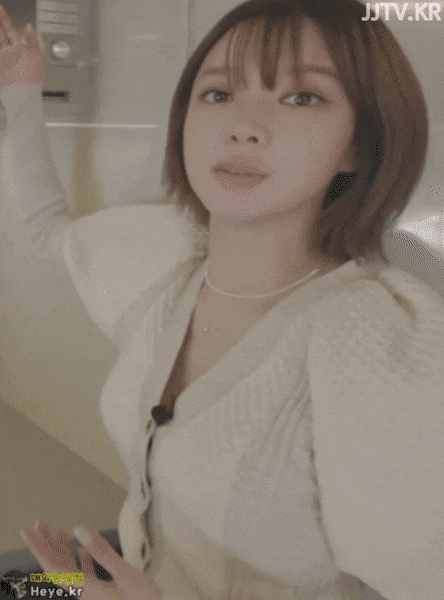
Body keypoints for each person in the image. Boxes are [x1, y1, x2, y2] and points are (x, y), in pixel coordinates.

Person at [1, 1, 443, 599]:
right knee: (17, 585)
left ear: (360, 144)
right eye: (217, 94)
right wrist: (21, 91)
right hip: (104, 579)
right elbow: (51, 233)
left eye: (302, 97)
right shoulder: (161, 272)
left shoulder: (372, 343)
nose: (243, 125)